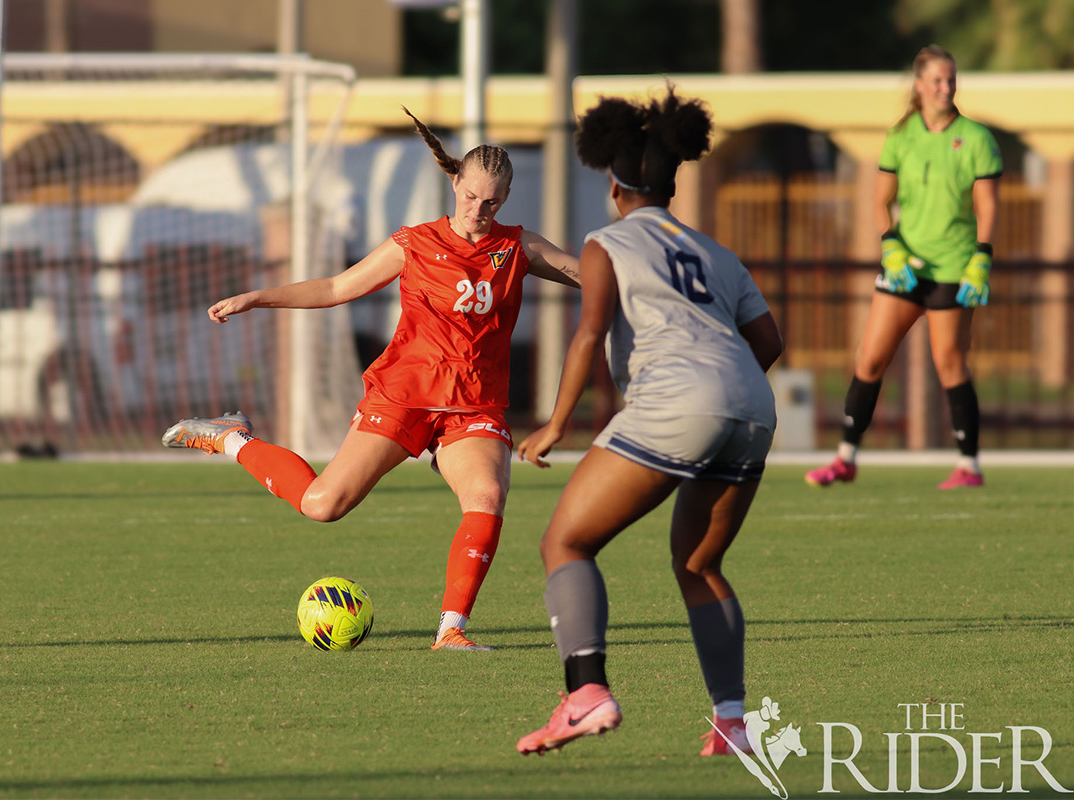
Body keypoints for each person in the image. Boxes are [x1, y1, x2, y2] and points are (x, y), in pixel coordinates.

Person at [161, 107, 580, 652]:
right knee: (322, 506)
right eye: (471, 196)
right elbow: (337, 289)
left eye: (493, 201)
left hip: (473, 406)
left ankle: (451, 629)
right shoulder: (414, 242)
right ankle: (231, 437)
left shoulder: (516, 247)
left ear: (506, 198)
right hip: (404, 395)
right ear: (455, 183)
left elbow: (589, 274)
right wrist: (257, 297)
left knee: (486, 493)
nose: (480, 209)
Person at [514, 87, 784, 756]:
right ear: (672, 183)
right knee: (699, 564)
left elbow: (589, 335)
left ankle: (585, 696)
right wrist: (725, 390)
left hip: (678, 401)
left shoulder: (607, 243)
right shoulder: (716, 253)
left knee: (566, 543)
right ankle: (733, 723)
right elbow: (770, 343)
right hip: (751, 404)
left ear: (613, 185)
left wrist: (555, 426)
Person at [805, 45, 1002, 490]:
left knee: (950, 363)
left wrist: (980, 260)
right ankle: (845, 458)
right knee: (870, 357)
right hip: (906, 268)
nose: (945, 88)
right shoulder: (900, 136)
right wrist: (890, 246)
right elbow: (880, 200)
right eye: (936, 80)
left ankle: (968, 466)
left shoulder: (976, 139)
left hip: (954, 267)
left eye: (951, 80)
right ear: (918, 85)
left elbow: (987, 208)